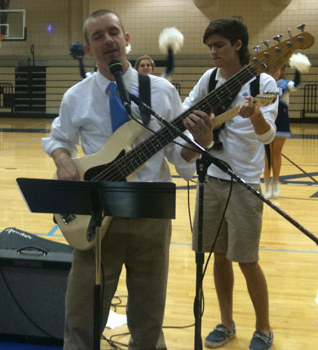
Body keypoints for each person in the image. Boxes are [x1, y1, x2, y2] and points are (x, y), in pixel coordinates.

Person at [42, 9, 212, 349]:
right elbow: (58, 140)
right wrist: (63, 161)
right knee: (81, 318)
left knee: (149, 320)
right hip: (97, 216)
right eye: (98, 36)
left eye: (114, 32)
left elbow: (179, 157)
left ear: (127, 39)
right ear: (89, 49)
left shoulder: (161, 91)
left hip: (151, 215)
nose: (108, 40)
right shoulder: (76, 96)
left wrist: (200, 144)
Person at [182, 18, 277, 350]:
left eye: (219, 45)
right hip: (211, 179)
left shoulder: (261, 83)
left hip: (245, 184)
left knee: (247, 259)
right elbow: (185, 115)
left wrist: (256, 115)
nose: (213, 52)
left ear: (238, 44)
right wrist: (197, 131)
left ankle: (264, 328)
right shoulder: (208, 80)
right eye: (209, 46)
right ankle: (226, 322)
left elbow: (267, 136)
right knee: (217, 257)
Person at [263, 67, 300, 198]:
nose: (275, 73)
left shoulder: (285, 83)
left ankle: (276, 183)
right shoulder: (263, 83)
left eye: (277, 70)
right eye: (272, 71)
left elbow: (296, 85)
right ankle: (266, 183)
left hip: (282, 122)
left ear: (280, 71)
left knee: (277, 153)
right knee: (267, 154)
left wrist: (298, 70)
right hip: (266, 121)